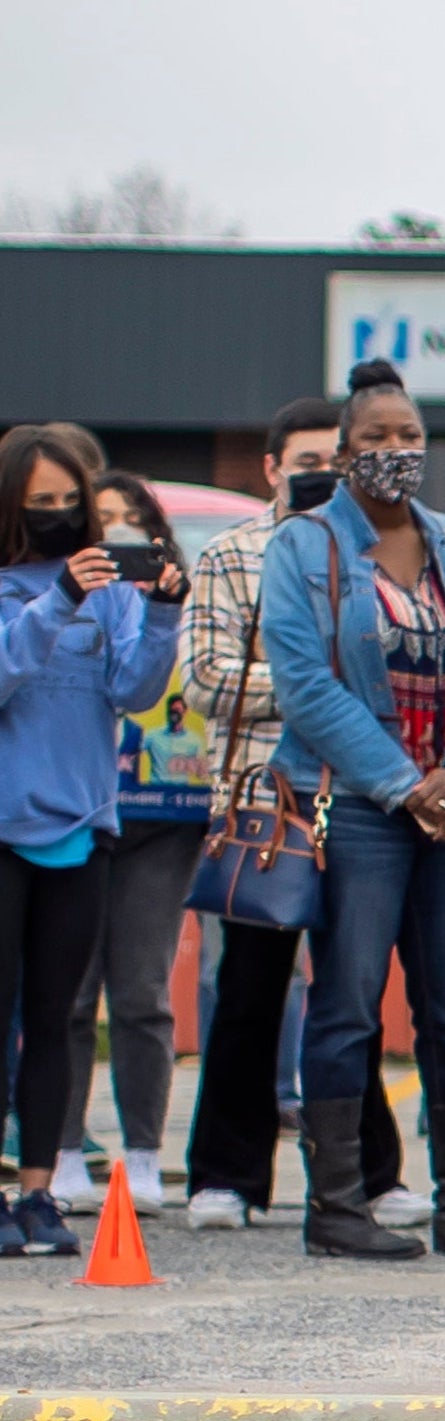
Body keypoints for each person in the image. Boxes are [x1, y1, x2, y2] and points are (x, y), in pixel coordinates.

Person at [258, 360, 445, 1259]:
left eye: (409, 436)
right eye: (376, 439)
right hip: (365, 810)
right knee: (349, 1004)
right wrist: (405, 783)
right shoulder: (303, 546)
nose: (395, 452)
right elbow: (304, 689)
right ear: (343, 449)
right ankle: (336, 1206)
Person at [181, 399, 414, 1229]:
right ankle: (224, 1175)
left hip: (361, 797)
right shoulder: (231, 555)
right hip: (263, 802)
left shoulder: (385, 549)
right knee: (249, 991)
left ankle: (369, 1173)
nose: (321, 471)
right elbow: (206, 678)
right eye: (304, 459)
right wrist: (318, 693)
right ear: (273, 468)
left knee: (353, 993)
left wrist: (336, 700)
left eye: (334, 457)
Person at [0, 427, 180, 1258]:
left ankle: (38, 1191)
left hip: (81, 827)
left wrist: (164, 615)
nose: (60, 516)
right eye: (41, 504)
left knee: (54, 1017)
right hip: (4, 829)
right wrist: (57, 601)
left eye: (70, 502)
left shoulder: (107, 588)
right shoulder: (26, 588)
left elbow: (135, 692)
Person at [61, 472, 207, 1213]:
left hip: (163, 819)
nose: (115, 535)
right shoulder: (60, 595)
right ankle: (60, 1152)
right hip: (80, 813)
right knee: (70, 994)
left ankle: (144, 1153)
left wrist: (166, 609)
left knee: (142, 991)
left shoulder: (181, 600)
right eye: (102, 520)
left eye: (131, 523)